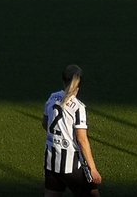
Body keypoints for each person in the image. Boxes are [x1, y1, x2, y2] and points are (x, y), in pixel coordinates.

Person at [43, 64, 103, 196]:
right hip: (72, 165)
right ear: (80, 83)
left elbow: (45, 123)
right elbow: (82, 140)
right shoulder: (78, 107)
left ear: (63, 80)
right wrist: (93, 169)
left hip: (51, 162)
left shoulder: (52, 98)